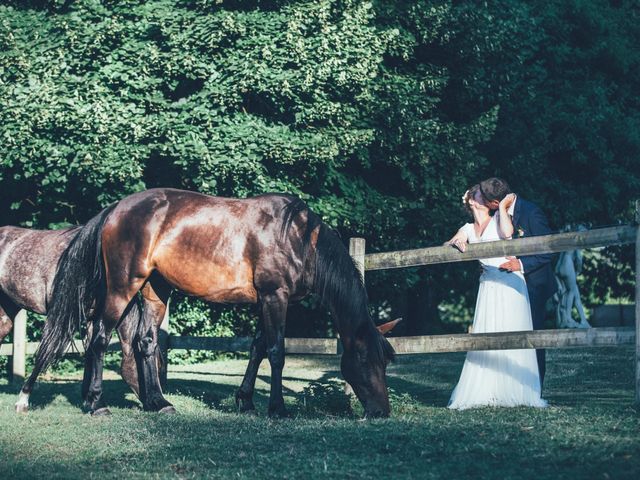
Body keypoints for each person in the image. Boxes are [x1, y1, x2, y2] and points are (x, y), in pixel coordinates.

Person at [446, 184, 546, 409]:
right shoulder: (468, 228)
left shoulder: (498, 219)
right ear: (472, 201)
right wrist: (457, 242)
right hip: (488, 285)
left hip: (510, 282)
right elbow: (448, 243)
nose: (485, 196)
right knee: (488, 332)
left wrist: (502, 208)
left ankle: (516, 390)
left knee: (513, 330)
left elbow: (508, 233)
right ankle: (489, 389)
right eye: (480, 193)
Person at [478, 177, 557, 387]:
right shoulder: (497, 215)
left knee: (533, 336)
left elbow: (547, 250)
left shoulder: (531, 213)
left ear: (494, 202)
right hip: (509, 287)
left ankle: (535, 385)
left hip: (534, 284)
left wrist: (520, 265)